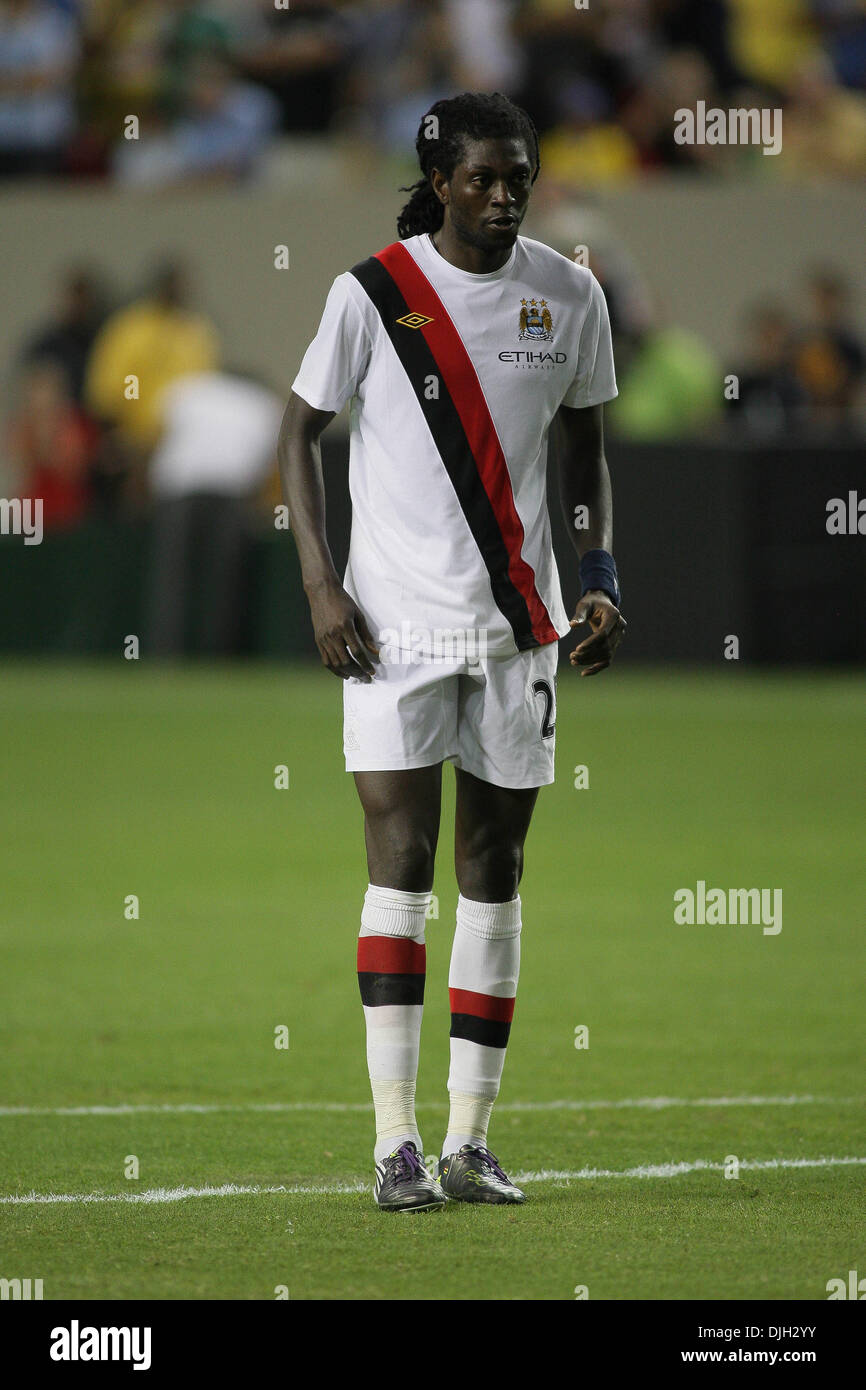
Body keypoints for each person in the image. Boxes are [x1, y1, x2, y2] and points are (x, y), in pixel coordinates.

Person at [279, 91, 625, 1213]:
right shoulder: (371, 294)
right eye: (480, 176)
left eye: (516, 172)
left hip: (518, 627)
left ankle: (471, 1142)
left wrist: (599, 576)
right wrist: (322, 586)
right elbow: (297, 432)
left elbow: (584, 449)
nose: (503, 191)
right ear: (438, 182)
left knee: (496, 869)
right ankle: (394, 1144)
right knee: (399, 857)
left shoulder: (568, 294)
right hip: (388, 630)